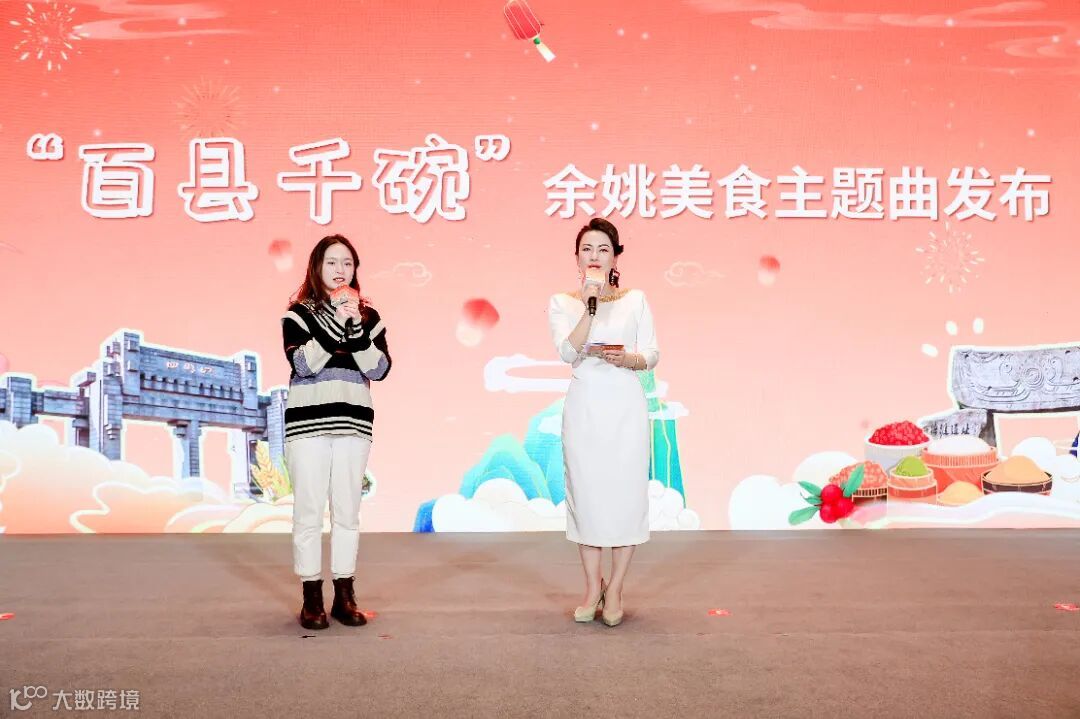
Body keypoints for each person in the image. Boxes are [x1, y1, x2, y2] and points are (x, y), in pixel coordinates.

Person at [547, 218, 659, 627]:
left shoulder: (636, 300)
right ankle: (592, 588)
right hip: (585, 410)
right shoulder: (563, 302)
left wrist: (627, 358)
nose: (594, 256)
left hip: (625, 408)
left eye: (603, 249)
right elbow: (567, 352)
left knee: (625, 499)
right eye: (587, 249)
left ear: (615, 258)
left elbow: (652, 353)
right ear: (577, 258)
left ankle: (616, 589)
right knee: (588, 499)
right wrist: (589, 307)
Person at [281, 234, 391, 630]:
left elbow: (378, 368)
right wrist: (337, 322)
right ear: (317, 267)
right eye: (332, 262)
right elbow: (304, 365)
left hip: (352, 424)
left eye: (347, 263)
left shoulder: (370, 318)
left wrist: (356, 324)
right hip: (308, 426)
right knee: (309, 512)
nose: (340, 270)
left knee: (347, 513)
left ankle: (345, 596)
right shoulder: (297, 315)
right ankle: (311, 597)